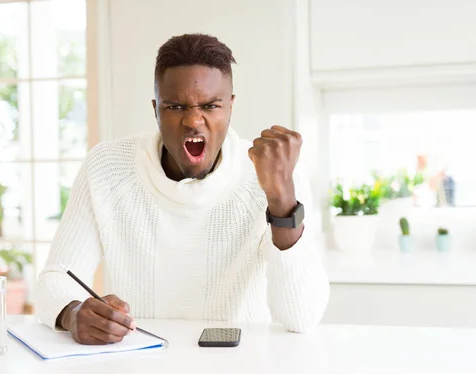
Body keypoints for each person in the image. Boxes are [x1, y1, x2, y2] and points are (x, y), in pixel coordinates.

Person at [35, 33, 329, 345]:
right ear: (156, 109)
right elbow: (55, 280)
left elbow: (302, 316)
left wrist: (282, 201)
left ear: (230, 107)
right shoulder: (107, 168)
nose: (193, 121)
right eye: (175, 106)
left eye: (211, 105)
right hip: (140, 368)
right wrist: (72, 313)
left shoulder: (274, 173)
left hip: (240, 372)